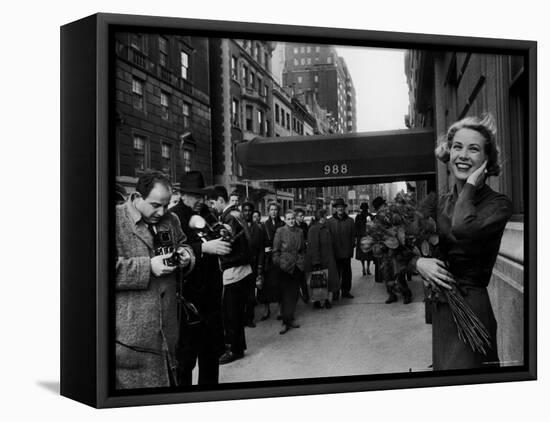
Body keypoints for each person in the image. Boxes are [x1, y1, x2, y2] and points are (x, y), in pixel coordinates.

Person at [411, 113, 512, 370]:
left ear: (486, 161)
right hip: (443, 309)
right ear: (449, 154)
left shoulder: (498, 205)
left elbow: (462, 227)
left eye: (474, 149)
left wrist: (469, 186)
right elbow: (408, 248)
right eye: (457, 147)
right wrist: (419, 263)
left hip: (473, 306)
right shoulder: (438, 203)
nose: (463, 155)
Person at [115, 170, 195, 389]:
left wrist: (186, 256)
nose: (161, 212)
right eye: (155, 205)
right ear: (136, 197)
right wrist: (148, 267)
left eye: (166, 205)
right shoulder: (111, 220)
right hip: (130, 343)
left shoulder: (171, 219)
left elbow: (184, 245)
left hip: (168, 334)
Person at [171, 171, 231, 386]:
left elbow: (217, 230)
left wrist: (223, 231)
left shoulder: (206, 213)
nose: (200, 201)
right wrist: (203, 248)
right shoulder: (174, 216)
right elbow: (172, 253)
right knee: (185, 362)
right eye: (196, 196)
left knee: (210, 356)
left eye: (202, 196)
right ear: (183, 195)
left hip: (211, 300)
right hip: (189, 303)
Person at [207, 185, 252, 365]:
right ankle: (238, 346)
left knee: (230, 314)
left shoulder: (227, 219)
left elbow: (226, 248)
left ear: (220, 200)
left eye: (213, 202)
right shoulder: (236, 214)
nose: (212, 206)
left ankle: (234, 350)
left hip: (233, 272)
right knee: (237, 313)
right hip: (243, 270)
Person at [371, 196, 413, 304]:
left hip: (397, 250)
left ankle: (406, 294)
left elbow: (402, 227)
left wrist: (395, 234)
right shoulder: (376, 219)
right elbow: (375, 234)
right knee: (387, 274)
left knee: (399, 273)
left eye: (383, 206)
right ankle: (392, 294)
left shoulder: (393, 215)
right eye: (380, 208)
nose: (383, 209)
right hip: (385, 251)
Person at [273, 210, 306, 334]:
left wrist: (302, 261)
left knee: (294, 294)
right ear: (285, 220)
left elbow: (303, 249)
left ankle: (291, 318)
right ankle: (285, 322)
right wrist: (280, 263)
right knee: (285, 295)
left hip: (297, 266)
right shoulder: (280, 231)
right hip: (285, 267)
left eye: (293, 218)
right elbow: (275, 251)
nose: (291, 221)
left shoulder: (300, 232)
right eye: (289, 219)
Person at [304, 209, 340, 309]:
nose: (326, 218)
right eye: (325, 216)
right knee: (318, 281)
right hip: (320, 260)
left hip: (329, 259)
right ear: (321, 218)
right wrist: (316, 261)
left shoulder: (325, 228)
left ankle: (328, 300)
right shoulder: (314, 229)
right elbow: (313, 246)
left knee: (329, 281)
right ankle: (318, 301)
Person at [258, 202, 285, 320]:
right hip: (267, 259)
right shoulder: (263, 226)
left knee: (280, 284)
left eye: (275, 210)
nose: (273, 212)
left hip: (279, 257)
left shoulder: (282, 224)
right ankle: (266, 309)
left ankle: (280, 309)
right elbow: (261, 243)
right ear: (268, 211)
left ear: (278, 211)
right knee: (266, 285)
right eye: (271, 210)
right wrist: (265, 249)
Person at [241, 201, 265, 328]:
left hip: (253, 264)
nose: (247, 213)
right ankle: (241, 318)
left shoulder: (258, 229)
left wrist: (260, 266)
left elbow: (261, 249)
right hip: (240, 264)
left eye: (249, 210)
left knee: (251, 294)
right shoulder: (238, 226)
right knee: (241, 293)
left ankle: (249, 318)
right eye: (245, 210)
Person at [326, 198, 356, 299]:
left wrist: (351, 249)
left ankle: (346, 291)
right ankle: (335, 292)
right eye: (338, 207)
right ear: (335, 209)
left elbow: (353, 236)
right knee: (335, 273)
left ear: (344, 208)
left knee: (347, 274)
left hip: (346, 252)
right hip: (334, 253)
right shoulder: (329, 222)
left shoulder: (350, 221)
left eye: (342, 207)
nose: (340, 209)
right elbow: (328, 237)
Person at [294, 208, 310, 303]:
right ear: (296, 217)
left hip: (304, 252)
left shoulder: (304, 225)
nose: (302, 217)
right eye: (300, 216)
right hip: (295, 253)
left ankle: (306, 295)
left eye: (303, 215)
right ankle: (299, 294)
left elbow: (307, 236)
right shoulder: (293, 225)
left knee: (304, 276)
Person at [354, 202, 374, 276]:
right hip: (368, 237)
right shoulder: (370, 216)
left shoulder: (358, 216)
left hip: (361, 237)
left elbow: (355, 227)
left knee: (362, 254)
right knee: (368, 254)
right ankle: (367, 268)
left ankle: (363, 268)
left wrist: (356, 238)